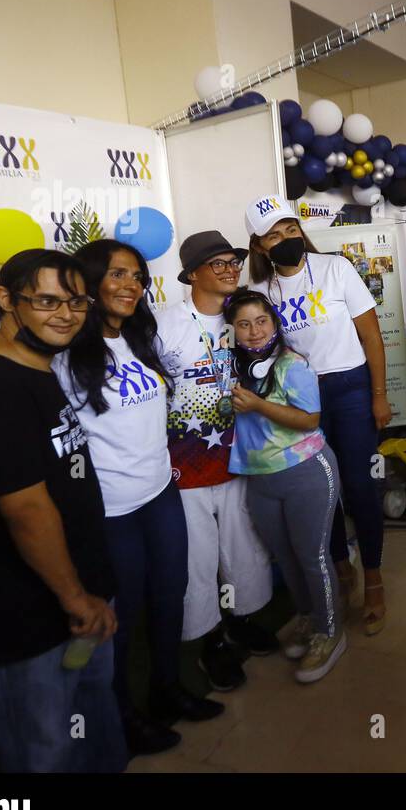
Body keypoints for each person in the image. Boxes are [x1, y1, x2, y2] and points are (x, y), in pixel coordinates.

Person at [0, 249, 124, 772]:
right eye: (46, 300)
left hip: (76, 603)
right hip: (26, 618)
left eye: (76, 301)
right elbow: (28, 513)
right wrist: (76, 600)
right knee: (45, 749)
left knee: (87, 723)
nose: (66, 314)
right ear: (5, 300)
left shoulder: (37, 371)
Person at [56, 240, 223, 757]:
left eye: (137, 276)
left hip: (160, 491)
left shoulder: (139, 338)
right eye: (117, 275)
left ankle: (167, 689)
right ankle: (121, 715)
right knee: (122, 613)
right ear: (87, 282)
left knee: (169, 592)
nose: (131, 285)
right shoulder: (64, 357)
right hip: (112, 510)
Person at [245, 195, 392, 635]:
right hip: (301, 400)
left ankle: (375, 578)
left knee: (361, 486)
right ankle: (341, 569)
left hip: (350, 387)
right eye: (275, 234)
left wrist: (379, 395)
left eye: (291, 229)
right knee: (318, 490)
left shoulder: (335, 269)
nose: (287, 238)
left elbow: (371, 336)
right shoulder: (258, 294)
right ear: (258, 246)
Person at [156, 231, 278, 692]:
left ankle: (242, 621)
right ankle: (212, 643)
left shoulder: (243, 317)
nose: (230, 268)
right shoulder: (163, 324)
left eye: (233, 261)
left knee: (244, 547)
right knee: (198, 559)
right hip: (183, 464)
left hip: (240, 456)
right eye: (218, 263)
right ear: (192, 274)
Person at [224, 289, 346, 682]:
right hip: (260, 479)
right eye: (244, 324)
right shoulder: (233, 368)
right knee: (287, 556)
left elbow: (310, 419)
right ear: (233, 331)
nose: (255, 331)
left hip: (306, 471)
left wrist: (259, 405)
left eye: (262, 321)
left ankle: (330, 633)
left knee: (312, 555)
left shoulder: (292, 365)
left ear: (275, 323)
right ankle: (309, 620)